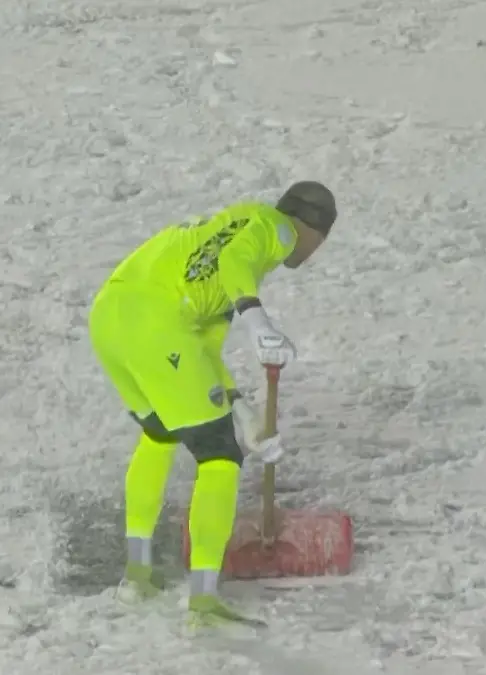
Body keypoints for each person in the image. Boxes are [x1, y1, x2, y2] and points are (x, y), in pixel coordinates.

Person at [87, 181, 337, 626]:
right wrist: (257, 321)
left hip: (110, 319)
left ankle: (138, 576)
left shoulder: (218, 229)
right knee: (220, 455)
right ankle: (203, 602)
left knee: (160, 433)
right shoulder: (277, 228)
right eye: (319, 241)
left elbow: (200, 352)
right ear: (312, 228)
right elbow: (235, 262)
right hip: (159, 324)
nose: (311, 251)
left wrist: (241, 409)